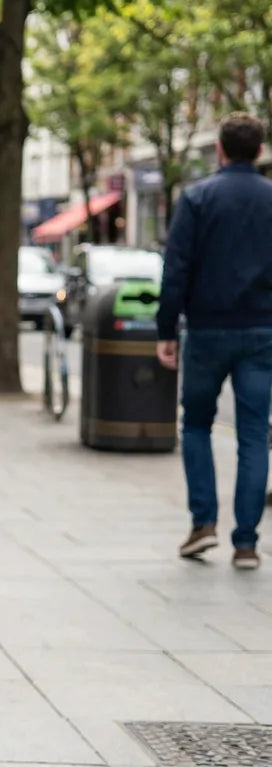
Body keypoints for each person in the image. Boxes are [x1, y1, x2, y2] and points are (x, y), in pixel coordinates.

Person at [156, 111, 272, 571]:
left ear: (220, 149)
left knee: (198, 425)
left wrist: (167, 330)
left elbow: (176, 269)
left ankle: (203, 523)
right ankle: (246, 542)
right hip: (262, 332)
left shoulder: (198, 198)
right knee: (253, 434)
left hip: (205, 330)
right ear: (259, 151)